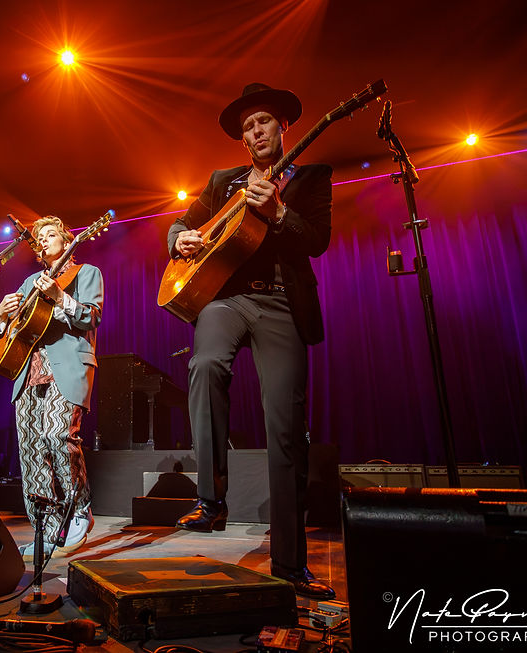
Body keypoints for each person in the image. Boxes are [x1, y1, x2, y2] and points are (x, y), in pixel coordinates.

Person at [168, 83, 335, 600]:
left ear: (282, 127)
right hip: (228, 299)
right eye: (247, 127)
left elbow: (319, 241)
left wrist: (282, 213)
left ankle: (288, 564)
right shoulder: (223, 181)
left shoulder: (309, 177)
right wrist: (180, 238)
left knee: (286, 429)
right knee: (206, 365)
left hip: (283, 303)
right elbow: (180, 224)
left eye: (262, 122)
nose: (254, 132)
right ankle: (211, 500)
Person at [0, 216, 103, 562]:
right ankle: (45, 528)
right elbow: (12, 329)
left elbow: (91, 317)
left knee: (58, 437)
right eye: (38, 237)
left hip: (65, 369)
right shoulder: (29, 281)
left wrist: (59, 297)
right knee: (30, 452)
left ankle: (80, 510)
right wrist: (0, 316)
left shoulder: (85, 272)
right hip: (27, 372)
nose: (42, 240)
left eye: (50, 234)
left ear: (66, 238)